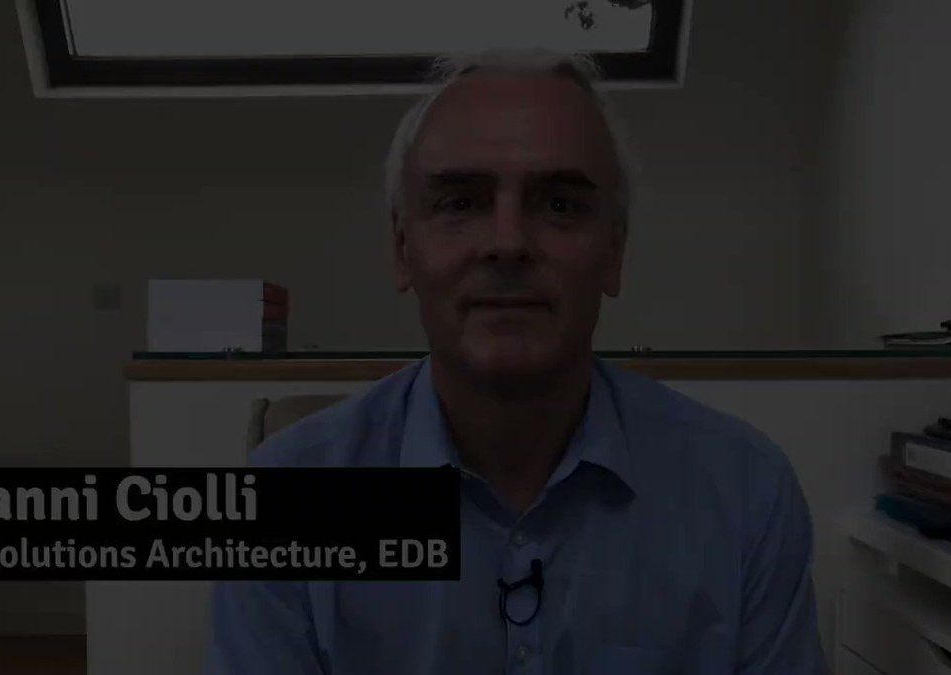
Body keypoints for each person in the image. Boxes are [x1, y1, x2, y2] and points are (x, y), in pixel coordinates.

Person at [208, 49, 825, 674]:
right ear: (402, 248)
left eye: (559, 205)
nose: (507, 244)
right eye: (460, 203)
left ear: (614, 252)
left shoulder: (745, 494)